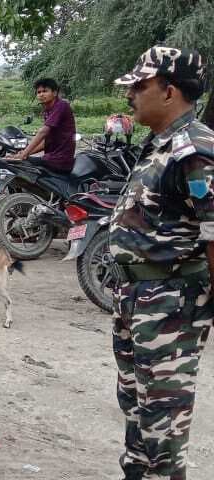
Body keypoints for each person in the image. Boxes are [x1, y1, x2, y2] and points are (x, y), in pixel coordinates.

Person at [108, 46, 213, 480]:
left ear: (169, 92)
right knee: (138, 409)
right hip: (138, 298)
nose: (131, 93)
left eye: (141, 85)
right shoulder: (160, 143)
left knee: (163, 422)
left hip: (171, 303)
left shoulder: (195, 150)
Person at [9, 78, 77, 174]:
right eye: (38, 92)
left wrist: (24, 154)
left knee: (13, 164)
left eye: (45, 91)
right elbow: (46, 142)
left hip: (60, 160)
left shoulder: (61, 105)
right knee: (12, 160)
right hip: (52, 158)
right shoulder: (48, 110)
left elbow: (43, 132)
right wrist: (25, 152)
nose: (41, 94)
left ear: (54, 93)